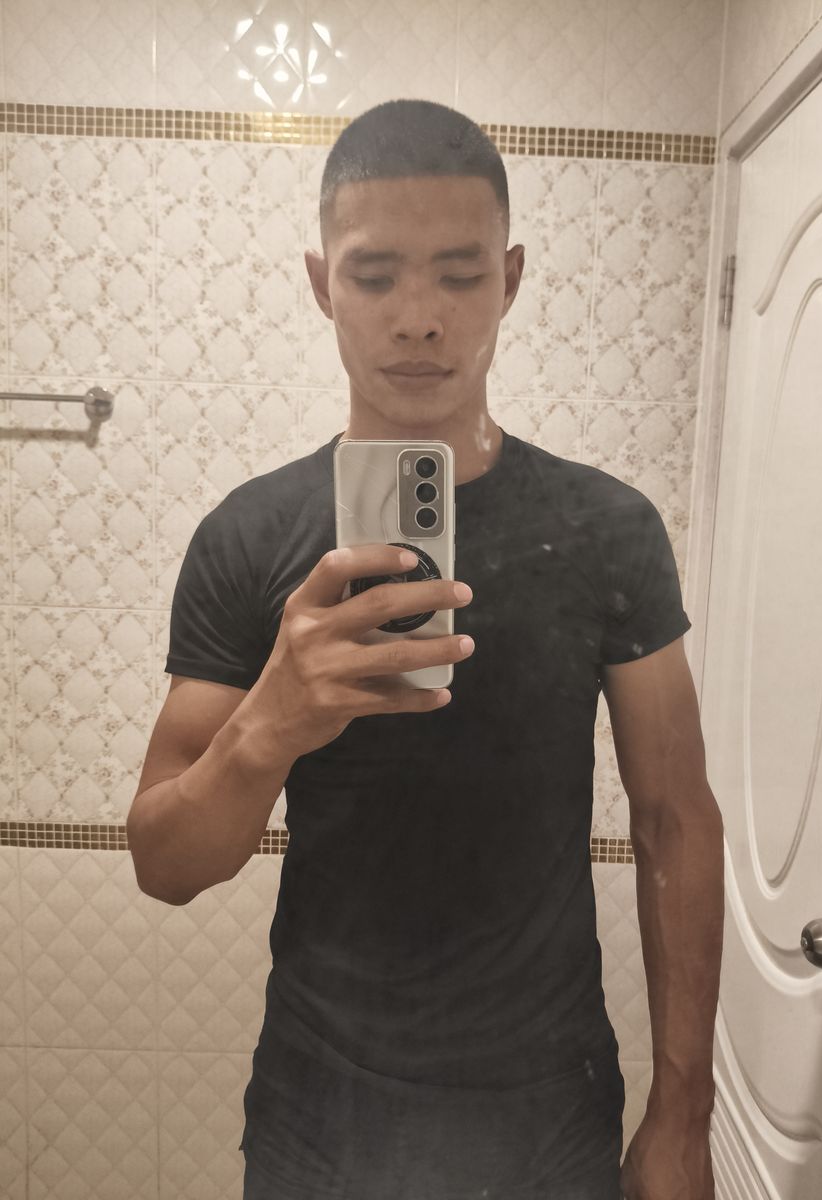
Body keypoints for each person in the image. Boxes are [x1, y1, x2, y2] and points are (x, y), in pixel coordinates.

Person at [127, 99, 724, 1200]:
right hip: (320, 1110)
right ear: (322, 284)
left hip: (547, 1108)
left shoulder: (609, 529)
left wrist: (685, 1112)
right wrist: (270, 724)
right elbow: (164, 866)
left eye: (459, 275)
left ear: (511, 278)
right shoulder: (248, 538)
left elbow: (675, 817)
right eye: (374, 276)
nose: (418, 319)